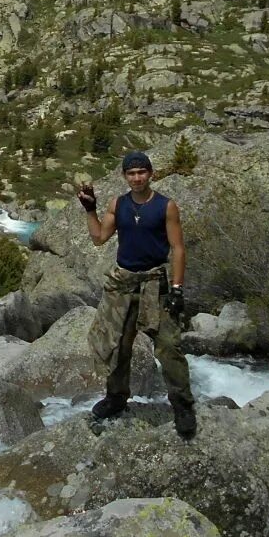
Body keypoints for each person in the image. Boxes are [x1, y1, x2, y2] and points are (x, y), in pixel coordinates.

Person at [77, 150, 197, 438]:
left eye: (141, 172)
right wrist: (90, 210)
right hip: (123, 284)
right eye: (131, 173)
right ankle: (116, 398)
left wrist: (178, 289)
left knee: (169, 347)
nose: (137, 177)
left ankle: (183, 406)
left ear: (150, 174)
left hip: (155, 283)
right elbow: (98, 239)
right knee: (117, 344)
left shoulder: (166, 206)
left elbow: (178, 248)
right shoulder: (118, 204)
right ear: (125, 177)